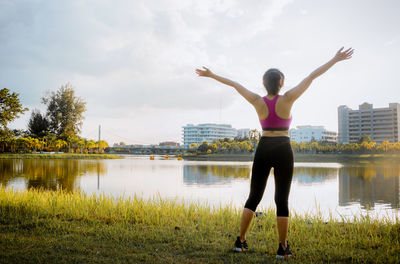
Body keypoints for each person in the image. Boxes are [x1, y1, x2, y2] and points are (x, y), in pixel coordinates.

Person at [195, 47, 354, 259]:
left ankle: (240, 242)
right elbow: (311, 77)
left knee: (254, 197)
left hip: (264, 147)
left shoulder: (257, 101)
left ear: (263, 84)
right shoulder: (288, 98)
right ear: (281, 83)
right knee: (282, 200)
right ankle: (282, 248)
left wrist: (211, 75)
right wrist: (334, 59)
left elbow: (234, 84)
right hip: (283, 149)